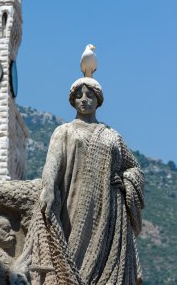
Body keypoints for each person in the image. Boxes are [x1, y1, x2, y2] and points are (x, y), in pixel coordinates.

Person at [39, 77, 144, 285]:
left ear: (99, 100)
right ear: (72, 101)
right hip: (73, 204)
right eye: (79, 96)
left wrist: (125, 181)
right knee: (72, 252)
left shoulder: (112, 136)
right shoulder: (65, 131)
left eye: (90, 95)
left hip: (108, 211)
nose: (84, 100)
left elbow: (135, 168)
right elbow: (52, 164)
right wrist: (48, 188)